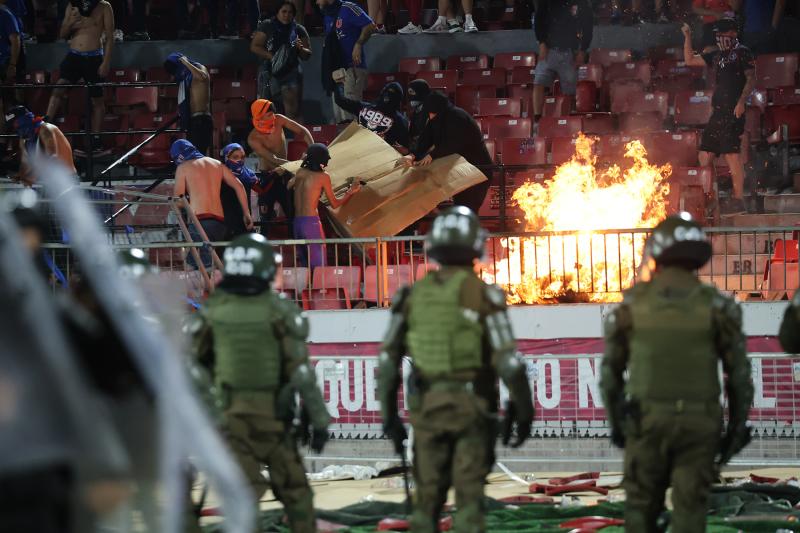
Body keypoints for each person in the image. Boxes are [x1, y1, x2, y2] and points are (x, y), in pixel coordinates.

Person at [377, 206, 534, 533]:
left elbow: (388, 360)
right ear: (475, 245)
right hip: (471, 410)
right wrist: (523, 410)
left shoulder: (411, 296)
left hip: (427, 410)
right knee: (469, 504)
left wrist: (389, 416)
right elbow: (509, 362)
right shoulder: (485, 295)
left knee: (426, 502)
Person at [600, 213, 754, 533]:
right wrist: (735, 430)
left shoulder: (630, 305)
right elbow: (739, 377)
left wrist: (617, 424)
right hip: (700, 424)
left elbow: (609, 376)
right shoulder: (720, 306)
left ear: (657, 252)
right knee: (690, 509)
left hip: (647, 421)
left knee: (641, 507)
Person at [190, 232, 330, 533]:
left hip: (230, 418)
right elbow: (301, 372)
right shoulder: (280, 310)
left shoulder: (213, 310)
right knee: (295, 493)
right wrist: (319, 418)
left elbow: (195, 369)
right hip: (274, 417)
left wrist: (211, 412)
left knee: (243, 496)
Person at [682, 19, 755, 215]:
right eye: (718, 33)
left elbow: (751, 78)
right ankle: (706, 196)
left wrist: (741, 102)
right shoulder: (716, 55)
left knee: (732, 154)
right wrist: (687, 36)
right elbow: (690, 60)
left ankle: (738, 199)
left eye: (723, 32)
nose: (719, 36)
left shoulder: (743, 52)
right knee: (705, 154)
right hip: (718, 112)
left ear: (733, 33)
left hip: (734, 110)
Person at [401, 91, 493, 213]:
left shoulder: (458, 117)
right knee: (460, 207)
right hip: (459, 170)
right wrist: (413, 155)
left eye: (432, 112)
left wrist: (432, 155)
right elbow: (426, 138)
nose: (430, 116)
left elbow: (454, 143)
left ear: (439, 109)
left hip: (477, 169)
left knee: (468, 208)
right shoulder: (436, 117)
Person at [171, 139, 253, 269]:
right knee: (206, 263)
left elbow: (178, 200)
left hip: (200, 222)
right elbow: (239, 186)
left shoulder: (183, 167)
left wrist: (189, 200)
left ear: (179, 157)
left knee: (195, 268)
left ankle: (210, 279)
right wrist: (246, 213)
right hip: (219, 224)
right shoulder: (217, 164)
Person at [46, 0, 114, 154]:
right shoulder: (72, 5)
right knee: (59, 87)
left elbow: (110, 36)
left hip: (94, 57)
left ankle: (96, 139)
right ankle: (45, 126)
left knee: (97, 100)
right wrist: (71, 21)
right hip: (74, 56)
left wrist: (106, 62)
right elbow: (62, 34)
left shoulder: (104, 6)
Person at [247, 98, 313, 234]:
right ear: (259, 117)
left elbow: (303, 131)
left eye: (273, 114)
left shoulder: (279, 119)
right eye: (268, 115)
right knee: (266, 219)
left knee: (292, 214)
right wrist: (296, 164)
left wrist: (313, 149)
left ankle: (295, 245)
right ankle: (264, 246)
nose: (272, 117)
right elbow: (272, 158)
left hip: (285, 174)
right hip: (268, 177)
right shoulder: (253, 138)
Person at [287, 143, 359, 267]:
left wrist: (303, 162)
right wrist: (350, 191)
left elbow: (289, 185)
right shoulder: (323, 176)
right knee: (319, 266)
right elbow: (334, 204)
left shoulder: (300, 172)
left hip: (297, 223)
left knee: (305, 265)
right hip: (311, 223)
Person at [532, 0, 593, 121]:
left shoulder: (581, 3)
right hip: (549, 50)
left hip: (570, 52)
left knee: (570, 90)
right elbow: (539, 20)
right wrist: (542, 43)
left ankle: (568, 119)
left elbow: (588, 27)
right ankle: (537, 118)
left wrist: (583, 50)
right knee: (539, 82)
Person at [250, 2, 311, 120]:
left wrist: (301, 48)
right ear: (277, 13)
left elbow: (307, 55)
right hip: (268, 71)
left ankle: (292, 132)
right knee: (265, 111)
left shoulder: (299, 29)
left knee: (293, 111)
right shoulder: (267, 25)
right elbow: (255, 46)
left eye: (290, 12)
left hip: (290, 72)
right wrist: (272, 57)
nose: (287, 15)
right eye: (284, 11)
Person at [318, 0, 376, 123]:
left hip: (352, 67)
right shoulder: (327, 15)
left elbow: (370, 25)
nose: (316, 2)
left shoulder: (349, 8)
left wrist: (359, 44)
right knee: (339, 118)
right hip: (336, 71)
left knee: (350, 117)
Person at [6, 105, 76, 185]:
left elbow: (53, 157)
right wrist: (21, 175)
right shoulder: (25, 139)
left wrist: (31, 176)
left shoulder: (46, 129)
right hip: (46, 180)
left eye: (14, 123)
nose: (14, 128)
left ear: (23, 119)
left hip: (66, 179)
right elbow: (25, 163)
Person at [332, 78, 409, 150]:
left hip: (363, 149)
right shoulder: (401, 120)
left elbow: (340, 100)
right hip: (370, 151)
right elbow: (404, 148)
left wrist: (339, 84)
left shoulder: (364, 106)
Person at [163, 52, 213, 157]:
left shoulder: (199, 68)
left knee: (200, 156)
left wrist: (186, 63)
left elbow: (203, 77)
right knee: (192, 156)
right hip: (192, 121)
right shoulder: (185, 77)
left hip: (202, 119)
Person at [221, 142, 258, 239]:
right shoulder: (219, 174)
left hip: (245, 220)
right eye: (235, 157)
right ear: (226, 157)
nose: (239, 160)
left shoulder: (249, 174)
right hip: (225, 223)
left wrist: (274, 174)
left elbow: (261, 189)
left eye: (242, 157)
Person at [407, 79, 431, 155]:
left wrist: (411, 153)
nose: (410, 96)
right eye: (409, 93)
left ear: (421, 92)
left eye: (412, 92)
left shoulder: (430, 111)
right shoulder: (417, 109)